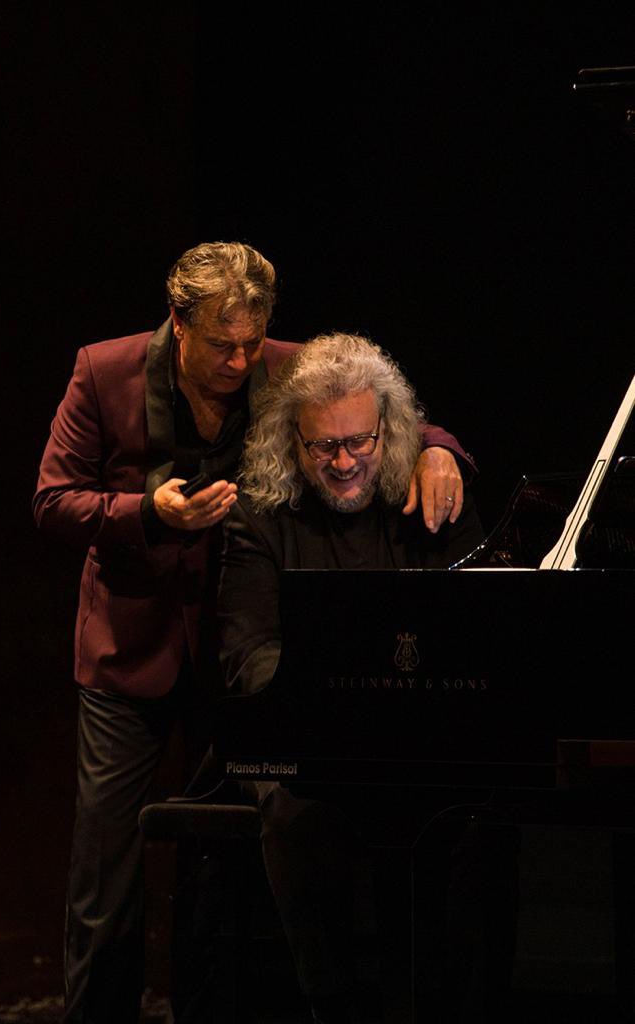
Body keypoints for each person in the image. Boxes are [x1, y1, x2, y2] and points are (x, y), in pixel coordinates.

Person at [33, 243, 473, 1023]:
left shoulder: (283, 365)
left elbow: (376, 409)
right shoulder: (104, 371)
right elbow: (52, 500)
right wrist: (145, 513)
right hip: (130, 648)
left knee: (224, 870)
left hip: (235, 640)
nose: (241, 360)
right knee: (108, 881)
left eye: (251, 339)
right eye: (221, 344)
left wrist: (440, 450)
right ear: (179, 322)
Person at [217, 333, 515, 1023]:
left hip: (420, 730)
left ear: (389, 430)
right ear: (293, 442)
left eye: (360, 442)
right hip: (302, 731)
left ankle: (457, 1005)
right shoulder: (258, 517)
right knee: (296, 808)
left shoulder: (430, 493)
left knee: (481, 815)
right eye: (324, 448)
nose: (345, 462)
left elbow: (477, 638)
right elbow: (248, 651)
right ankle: (335, 1005)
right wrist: (325, 704)